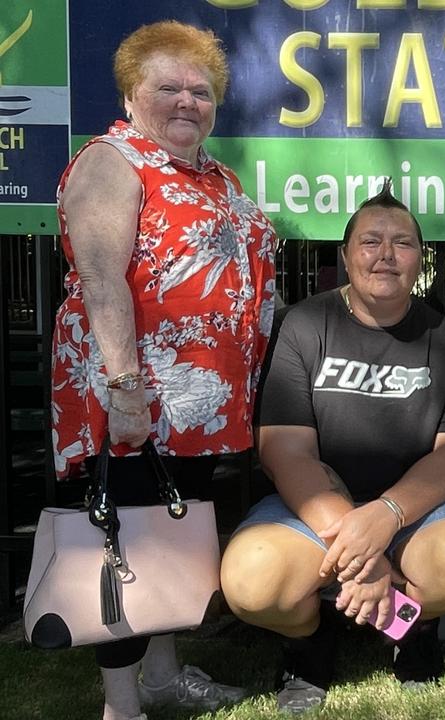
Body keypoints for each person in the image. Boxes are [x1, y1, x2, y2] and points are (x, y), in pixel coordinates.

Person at [48, 21, 276, 720]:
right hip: (133, 398)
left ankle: (164, 676)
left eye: (200, 91)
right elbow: (101, 279)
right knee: (121, 541)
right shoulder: (112, 162)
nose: (187, 101)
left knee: (172, 541)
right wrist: (124, 389)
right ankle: (122, 702)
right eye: (168, 87)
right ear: (131, 91)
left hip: (201, 406)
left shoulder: (214, 174)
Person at [219, 185, 445, 714]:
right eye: (370, 241)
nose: (386, 255)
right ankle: (311, 640)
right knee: (250, 581)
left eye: (403, 243)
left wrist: (387, 515)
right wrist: (361, 553)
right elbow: (286, 451)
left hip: (417, 510)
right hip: (316, 509)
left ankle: (409, 631)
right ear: (346, 256)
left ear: (421, 259)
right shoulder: (303, 326)